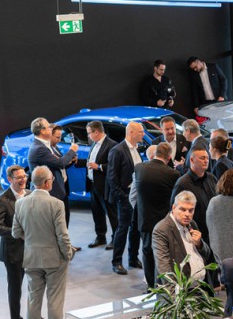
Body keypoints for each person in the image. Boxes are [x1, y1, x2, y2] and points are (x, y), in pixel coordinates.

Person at [12, 166, 74, 319]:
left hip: (31, 258)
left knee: (33, 299)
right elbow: (62, 235)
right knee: (55, 299)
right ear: (47, 183)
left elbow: (16, 232)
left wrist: (32, 239)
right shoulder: (56, 204)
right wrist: (68, 254)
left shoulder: (20, 203)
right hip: (54, 259)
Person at [132, 142, 180, 289]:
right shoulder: (173, 174)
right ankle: (164, 286)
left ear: (155, 153)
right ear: (169, 157)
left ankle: (151, 286)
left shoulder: (139, 168)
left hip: (144, 218)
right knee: (164, 254)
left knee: (147, 252)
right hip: (163, 221)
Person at [152, 191, 217, 286]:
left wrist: (199, 244)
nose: (187, 214)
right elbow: (163, 267)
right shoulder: (162, 229)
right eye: (182, 209)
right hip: (180, 291)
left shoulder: (192, 224)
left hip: (200, 288)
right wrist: (174, 294)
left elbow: (207, 254)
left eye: (191, 210)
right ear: (174, 208)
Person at [0, 166, 28, 319]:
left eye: (24, 176)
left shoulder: (30, 195)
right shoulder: (3, 200)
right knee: (15, 290)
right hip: (14, 253)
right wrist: (16, 233)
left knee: (36, 287)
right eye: (19, 178)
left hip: (33, 251)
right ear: (10, 179)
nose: (23, 180)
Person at [107, 121, 145, 276]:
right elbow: (112, 177)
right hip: (125, 196)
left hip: (137, 195)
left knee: (135, 228)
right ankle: (116, 262)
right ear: (131, 132)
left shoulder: (136, 149)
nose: (143, 134)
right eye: (140, 132)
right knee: (122, 228)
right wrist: (122, 198)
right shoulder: (117, 150)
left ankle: (133, 258)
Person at [28, 118, 78, 229]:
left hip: (57, 190)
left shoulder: (47, 145)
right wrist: (72, 150)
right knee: (53, 227)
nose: (51, 129)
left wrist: (69, 160)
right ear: (42, 131)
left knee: (62, 224)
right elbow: (60, 163)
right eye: (48, 127)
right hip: (49, 193)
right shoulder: (39, 148)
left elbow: (58, 164)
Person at [172, 145, 219, 242]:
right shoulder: (182, 184)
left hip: (214, 233)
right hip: (195, 236)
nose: (206, 161)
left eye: (207, 158)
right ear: (192, 160)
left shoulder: (212, 178)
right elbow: (175, 213)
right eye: (202, 158)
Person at [85, 121, 119, 249]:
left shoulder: (112, 145)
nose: (88, 136)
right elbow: (92, 161)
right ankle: (100, 237)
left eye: (89, 133)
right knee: (97, 213)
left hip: (105, 187)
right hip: (93, 185)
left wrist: (98, 167)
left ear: (96, 132)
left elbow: (114, 165)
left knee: (112, 214)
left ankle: (116, 239)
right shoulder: (94, 144)